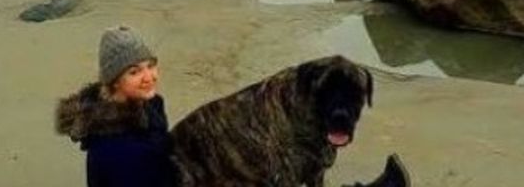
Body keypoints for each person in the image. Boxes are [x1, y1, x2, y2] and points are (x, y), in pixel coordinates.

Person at [56, 26, 410, 187]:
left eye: (150, 66)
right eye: (135, 71)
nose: (148, 77)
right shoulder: (113, 152)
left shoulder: (147, 108)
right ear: (113, 81)